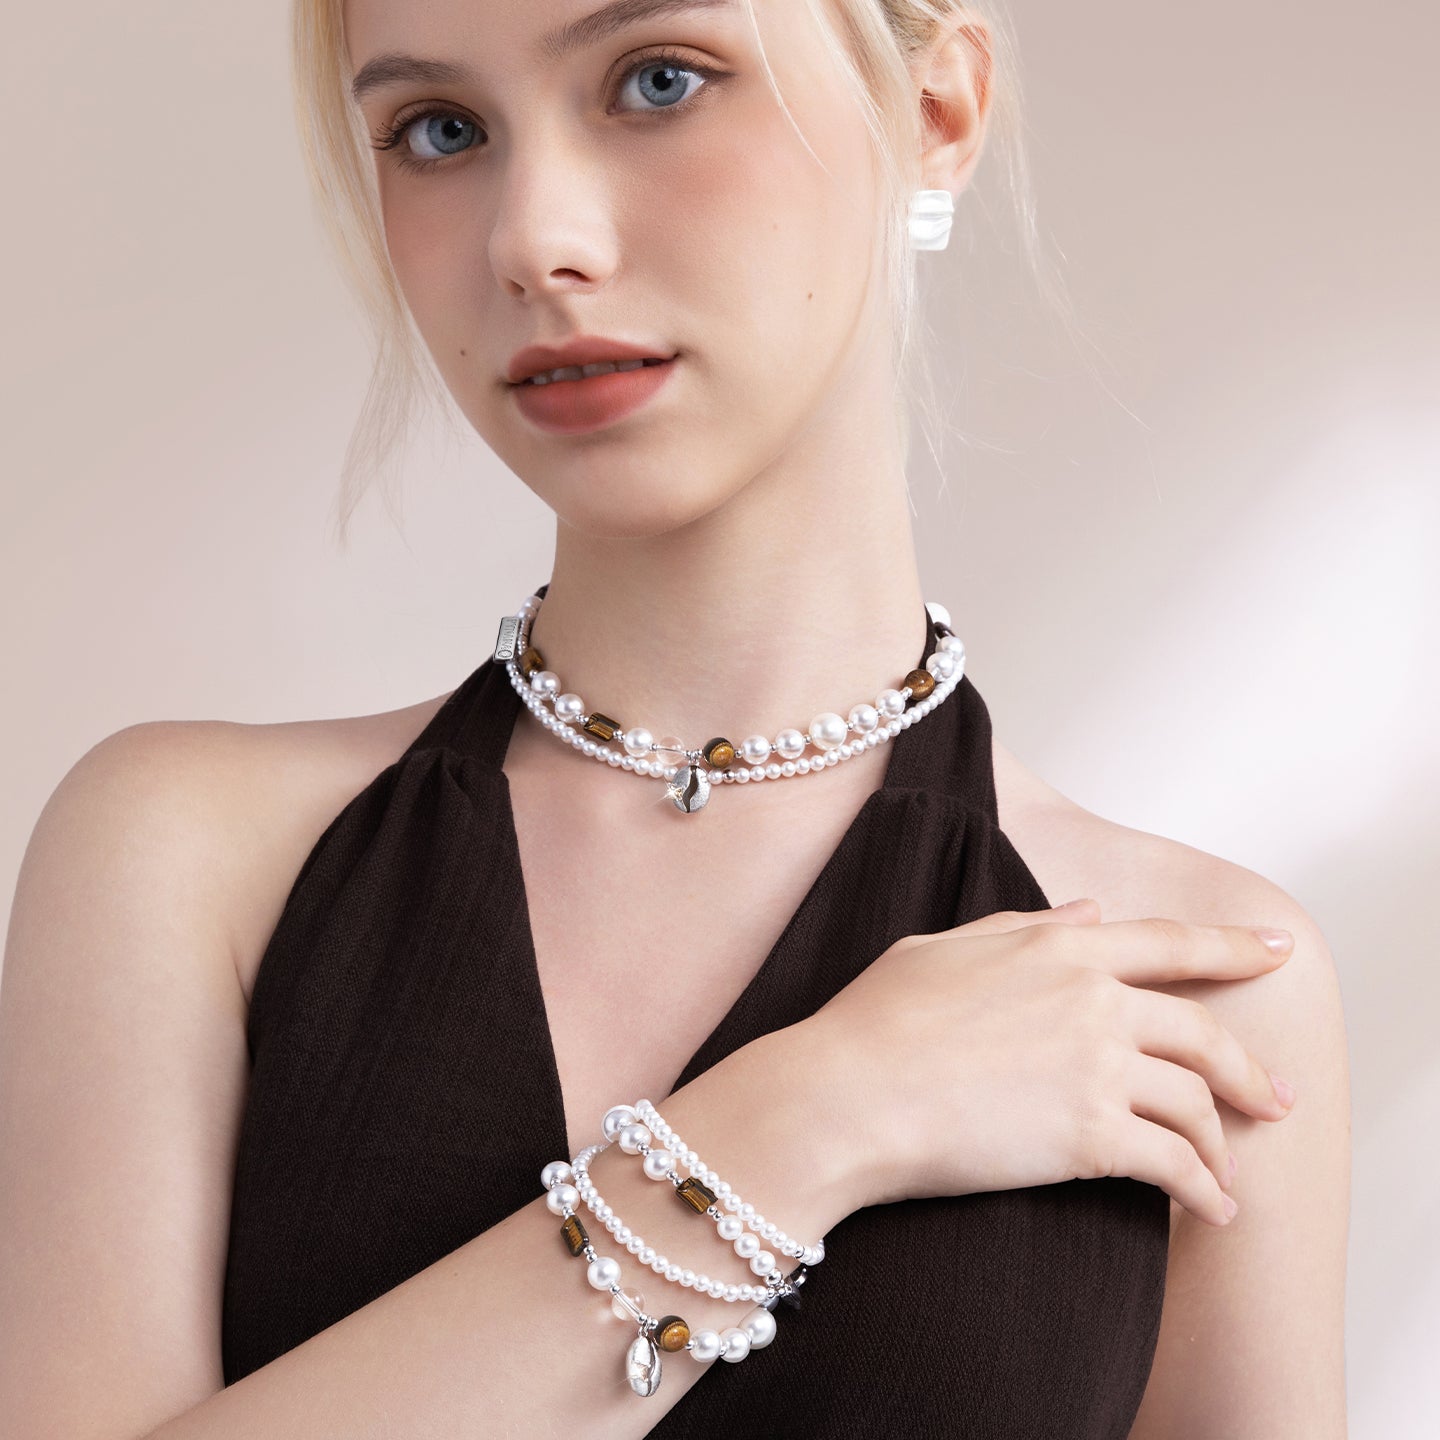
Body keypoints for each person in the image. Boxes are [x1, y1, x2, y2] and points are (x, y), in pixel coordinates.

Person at [0, 0, 1350, 1436]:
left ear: (933, 113)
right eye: (439, 131)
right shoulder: (189, 862)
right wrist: (816, 1118)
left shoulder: (1189, 989)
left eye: (658, 82)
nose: (533, 242)